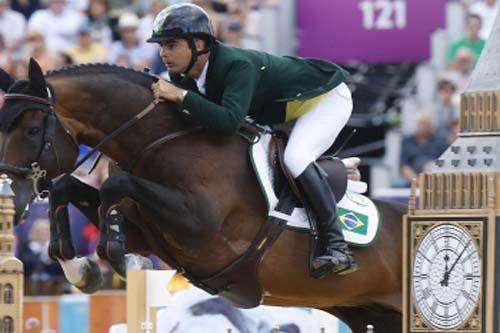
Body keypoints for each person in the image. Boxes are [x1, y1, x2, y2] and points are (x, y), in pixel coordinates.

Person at [149, 4, 357, 277]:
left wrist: (180, 96)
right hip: (283, 110)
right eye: (162, 46)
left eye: (171, 45)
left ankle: (338, 245)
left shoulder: (235, 64)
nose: (163, 53)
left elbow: (226, 123)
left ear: (198, 44)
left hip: (326, 99)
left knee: (296, 157)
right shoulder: (183, 73)